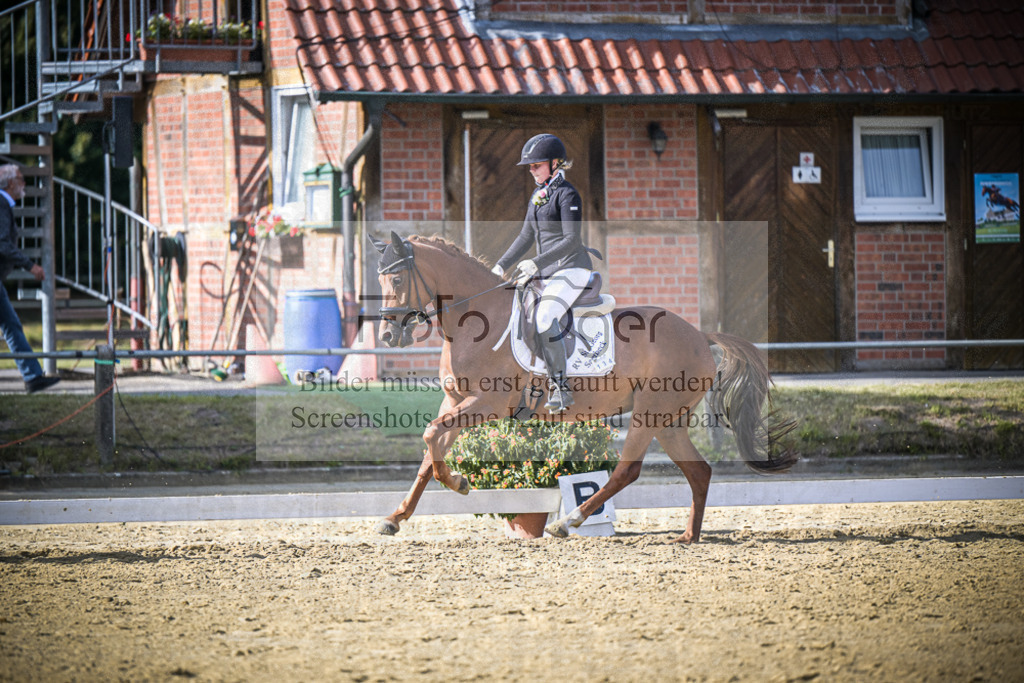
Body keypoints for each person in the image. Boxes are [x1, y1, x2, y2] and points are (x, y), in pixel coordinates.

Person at [491, 134, 593, 413]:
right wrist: (500, 265)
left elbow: (571, 240)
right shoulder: (538, 195)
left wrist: (535, 263)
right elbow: (525, 236)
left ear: (555, 163)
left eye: (536, 165)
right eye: (530, 166)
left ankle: (561, 388)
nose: (531, 170)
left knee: (545, 315)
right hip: (547, 272)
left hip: (572, 268)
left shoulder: (567, 194)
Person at [0, 164, 60, 393]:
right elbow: (2, 244)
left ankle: (33, 376)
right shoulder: (1, 203)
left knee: (11, 325)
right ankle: (32, 375)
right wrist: (30, 266)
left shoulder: (4, 204)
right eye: (20, 179)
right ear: (10, 183)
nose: (24, 183)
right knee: (11, 325)